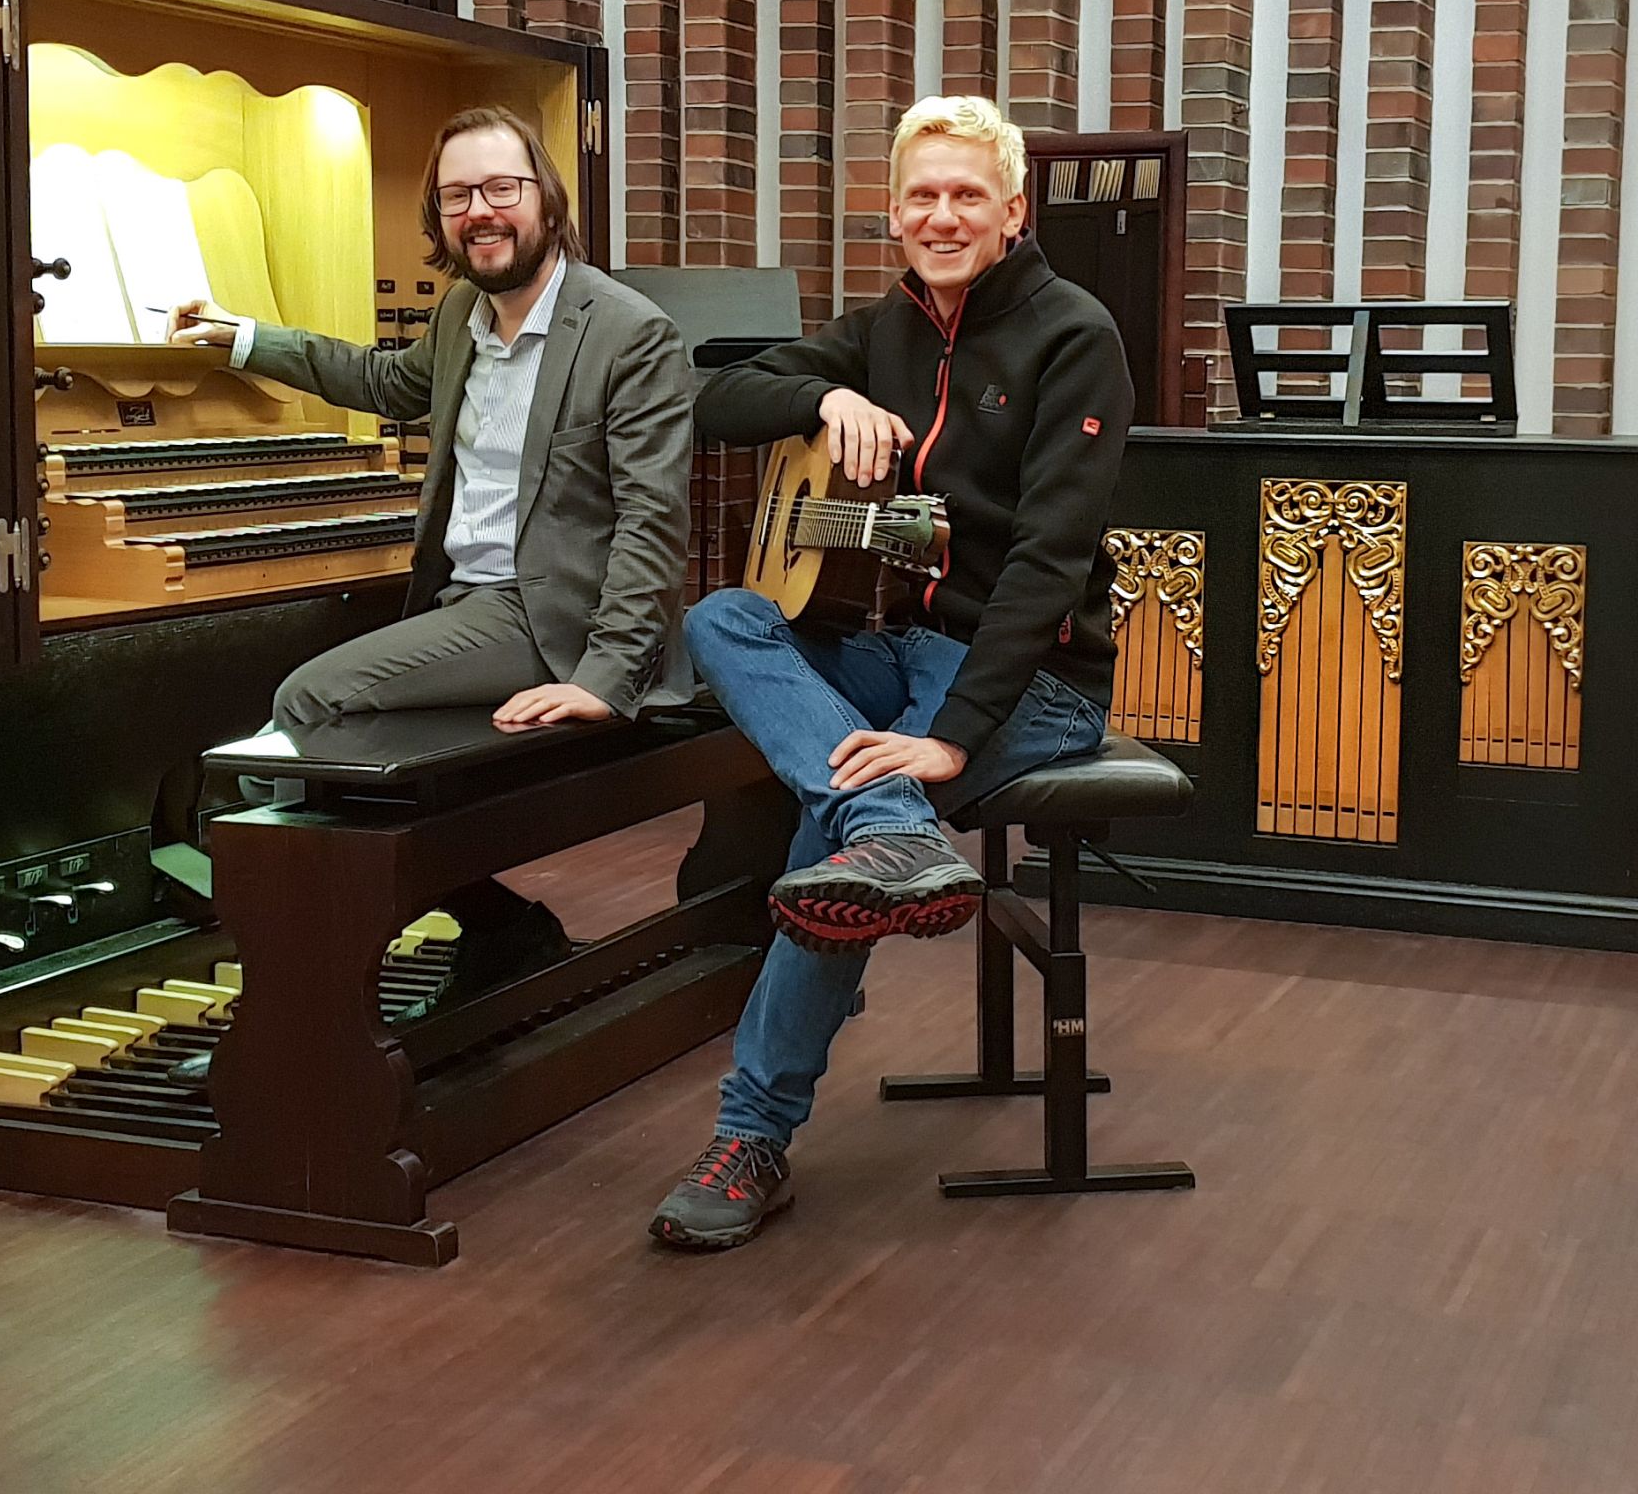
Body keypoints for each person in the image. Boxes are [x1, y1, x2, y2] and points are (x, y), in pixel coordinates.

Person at [648, 95, 1133, 1251]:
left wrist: (951, 741)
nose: (943, 213)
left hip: (1033, 684)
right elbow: (714, 399)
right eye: (923, 194)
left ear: (1014, 210)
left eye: (968, 193)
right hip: (898, 650)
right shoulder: (882, 328)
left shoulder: (1078, 336)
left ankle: (752, 1137)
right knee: (723, 617)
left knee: (834, 845)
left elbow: (1047, 570)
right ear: (893, 212)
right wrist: (827, 393)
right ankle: (887, 818)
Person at [170, 104, 696, 1041]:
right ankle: (485, 928)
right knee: (332, 743)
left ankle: (314, 976)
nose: (480, 211)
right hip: (466, 602)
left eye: (501, 188)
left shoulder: (628, 333)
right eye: (458, 195)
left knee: (308, 705)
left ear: (545, 198)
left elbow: (654, 526)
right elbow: (385, 386)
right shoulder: (463, 312)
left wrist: (605, 684)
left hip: (547, 623)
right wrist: (245, 338)